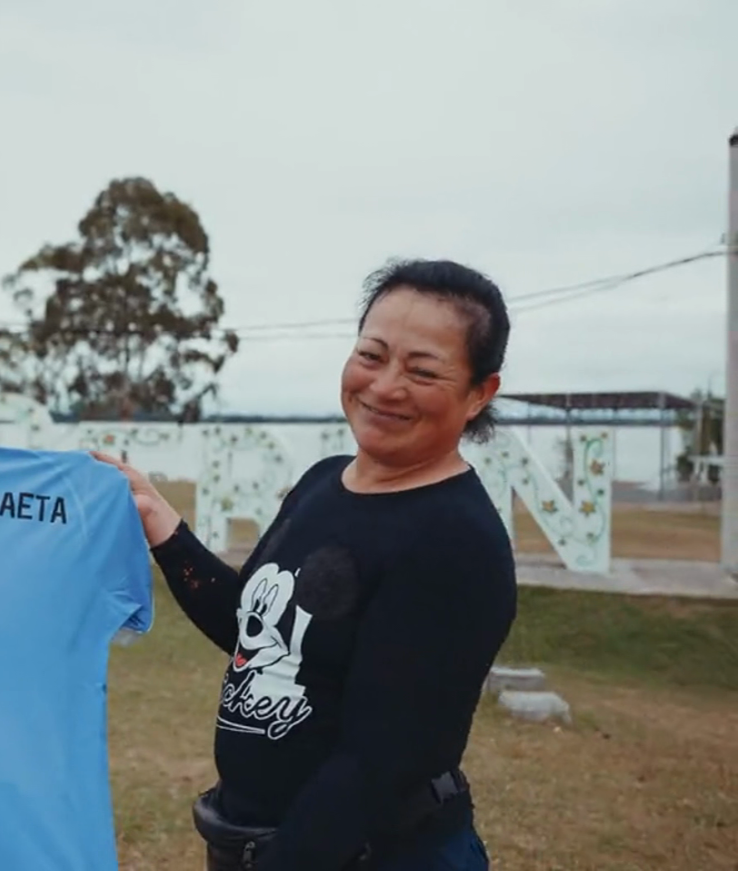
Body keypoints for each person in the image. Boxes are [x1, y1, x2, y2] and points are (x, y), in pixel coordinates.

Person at [96, 259, 518, 871]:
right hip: (263, 841)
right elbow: (254, 629)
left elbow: (379, 763)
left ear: (480, 393)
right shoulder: (323, 483)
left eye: (422, 370)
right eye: (371, 355)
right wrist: (163, 525)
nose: (385, 386)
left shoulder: (456, 540)